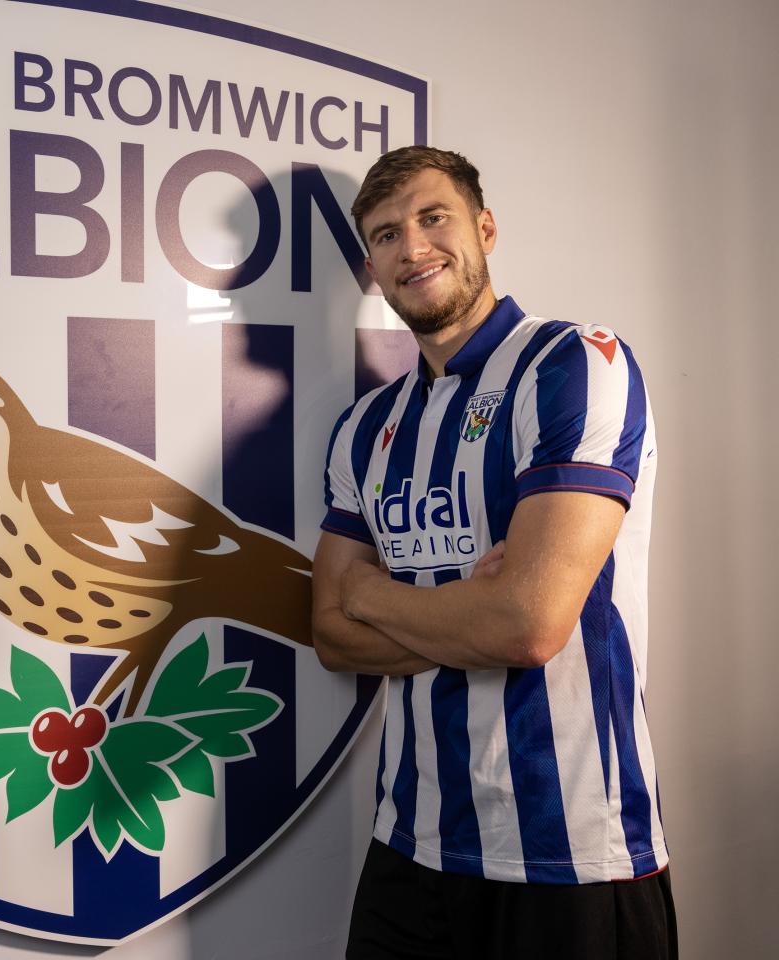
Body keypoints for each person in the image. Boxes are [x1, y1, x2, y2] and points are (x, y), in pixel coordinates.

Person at [313, 146, 677, 959]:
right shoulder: (364, 430)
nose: (412, 247)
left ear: (484, 226)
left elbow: (527, 626)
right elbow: (331, 633)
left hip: (572, 853)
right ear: (370, 266)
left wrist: (375, 592)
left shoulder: (576, 363)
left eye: (432, 217)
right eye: (384, 235)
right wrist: (459, 606)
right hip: (409, 845)